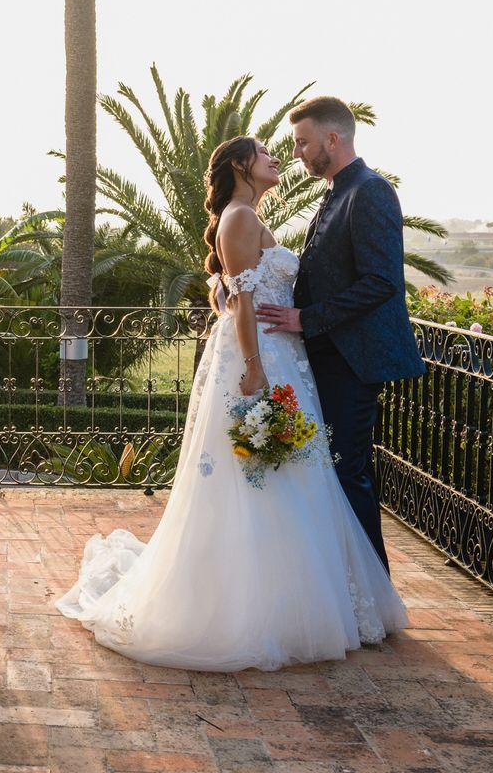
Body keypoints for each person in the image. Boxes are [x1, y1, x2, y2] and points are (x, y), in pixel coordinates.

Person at [55, 135, 407, 672]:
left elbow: (238, 286)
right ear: (241, 165)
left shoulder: (247, 216)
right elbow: (244, 301)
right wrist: (254, 367)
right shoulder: (239, 218)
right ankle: (257, 608)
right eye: (265, 152)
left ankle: (289, 600)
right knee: (262, 475)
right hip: (262, 355)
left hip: (284, 354)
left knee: (288, 474)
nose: (278, 157)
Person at [255, 97, 426, 572]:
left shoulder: (370, 191)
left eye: (302, 142)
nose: (296, 153)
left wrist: (305, 319)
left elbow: (381, 281)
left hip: (353, 360)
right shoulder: (336, 191)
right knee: (335, 471)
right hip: (327, 357)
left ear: (332, 139)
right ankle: (347, 583)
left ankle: (372, 588)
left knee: (347, 472)